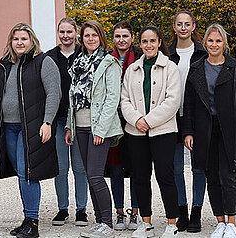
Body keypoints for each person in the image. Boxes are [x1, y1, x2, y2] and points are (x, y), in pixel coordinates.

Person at [0, 23, 61, 238]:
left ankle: (33, 223)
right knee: (21, 173)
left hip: (30, 127)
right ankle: (27, 219)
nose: (20, 43)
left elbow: (54, 93)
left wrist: (47, 122)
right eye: (16, 39)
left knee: (27, 173)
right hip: (8, 128)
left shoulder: (43, 62)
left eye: (24, 39)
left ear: (32, 41)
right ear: (11, 42)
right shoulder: (4, 66)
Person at [182, 23, 236, 238]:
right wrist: (188, 131)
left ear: (224, 44)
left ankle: (231, 221)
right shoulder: (196, 68)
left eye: (218, 41)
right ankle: (219, 220)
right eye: (210, 40)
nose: (214, 44)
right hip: (204, 128)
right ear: (205, 43)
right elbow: (189, 104)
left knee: (227, 174)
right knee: (210, 175)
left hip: (229, 128)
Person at [120, 26, 181, 238]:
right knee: (140, 177)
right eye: (145, 41)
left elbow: (173, 101)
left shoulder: (170, 67)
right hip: (135, 132)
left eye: (152, 41)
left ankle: (172, 223)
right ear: (140, 43)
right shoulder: (132, 70)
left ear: (159, 42)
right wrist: (137, 120)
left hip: (163, 131)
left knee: (165, 176)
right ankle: (146, 223)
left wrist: (148, 120)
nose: (148, 45)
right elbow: (124, 99)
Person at [66, 20, 123, 238]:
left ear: (101, 37)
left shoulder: (109, 63)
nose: (90, 39)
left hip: (99, 127)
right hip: (79, 126)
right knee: (90, 176)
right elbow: (73, 98)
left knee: (95, 174)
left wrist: (100, 129)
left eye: (94, 35)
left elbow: (112, 99)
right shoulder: (77, 63)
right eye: (87, 35)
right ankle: (100, 222)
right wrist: (69, 126)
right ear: (82, 38)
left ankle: (107, 223)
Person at [46, 18, 89, 228]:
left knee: (80, 168)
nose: (65, 35)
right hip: (58, 120)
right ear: (58, 33)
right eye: (62, 32)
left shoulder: (85, 54)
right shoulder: (49, 58)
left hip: (80, 120)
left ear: (76, 33)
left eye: (69, 32)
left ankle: (82, 210)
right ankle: (63, 208)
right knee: (61, 168)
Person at [167, 10, 207, 232]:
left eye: (187, 24)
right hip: (172, 116)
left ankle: (196, 211)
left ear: (193, 27)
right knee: (175, 168)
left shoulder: (202, 53)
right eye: (179, 24)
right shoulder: (167, 53)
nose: (183, 27)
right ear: (174, 27)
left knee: (199, 167)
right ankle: (181, 210)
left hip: (197, 117)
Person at [108, 21, 141, 231]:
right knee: (115, 169)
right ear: (113, 38)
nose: (121, 40)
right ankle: (119, 212)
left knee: (137, 168)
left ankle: (136, 212)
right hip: (113, 121)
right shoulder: (107, 59)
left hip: (135, 119)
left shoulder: (139, 58)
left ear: (132, 38)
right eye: (118, 36)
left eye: (125, 36)